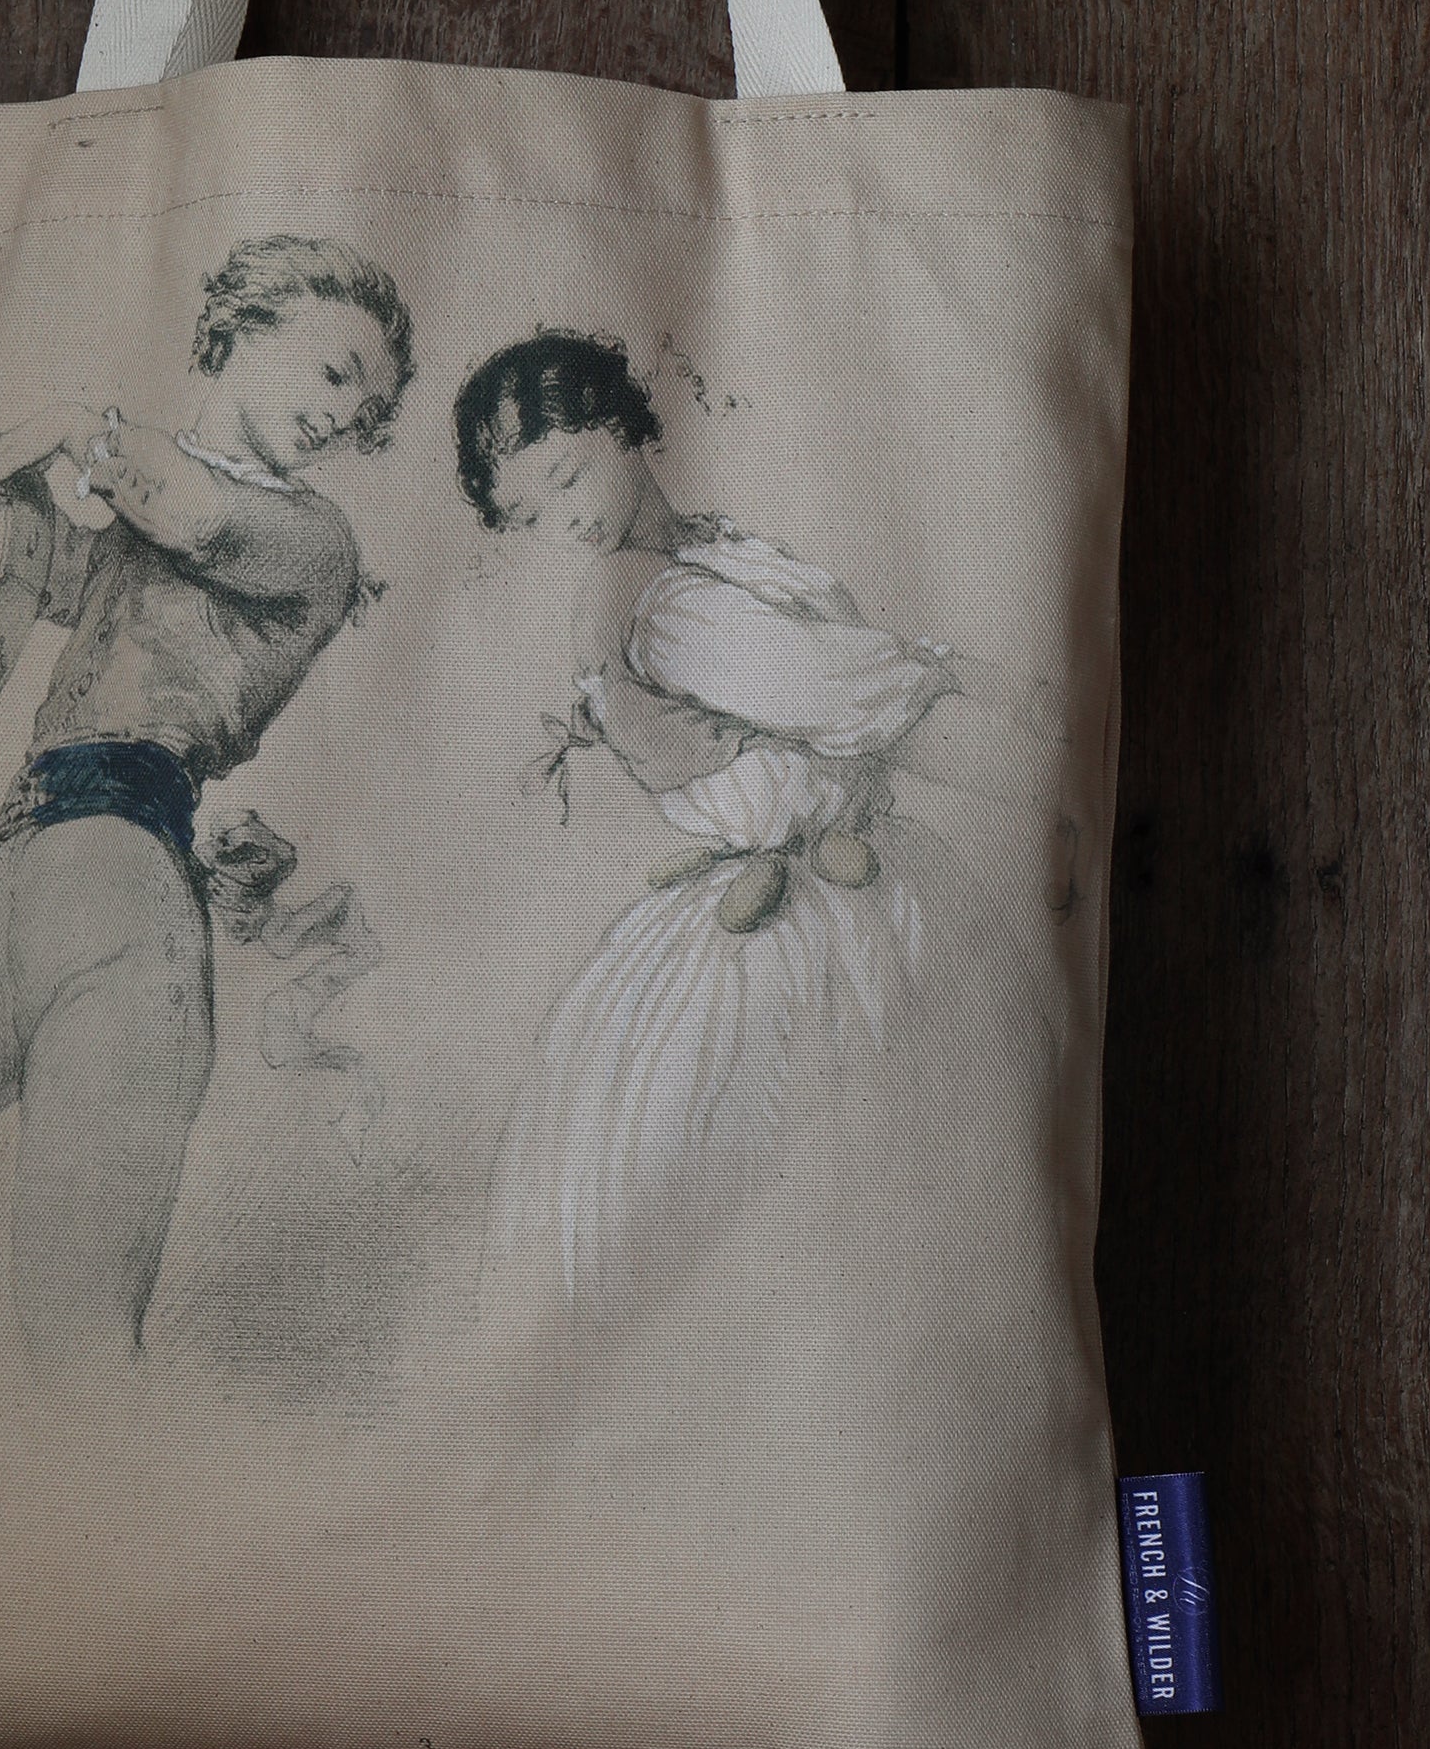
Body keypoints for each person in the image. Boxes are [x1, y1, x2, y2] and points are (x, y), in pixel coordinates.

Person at [0, 235, 413, 1356]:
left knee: (77, 1334)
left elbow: (198, 515)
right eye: (336, 371)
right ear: (242, 324)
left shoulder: (313, 541)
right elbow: (3, 553)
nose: (344, 414)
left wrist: (73, 424)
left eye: (367, 409)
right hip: (6, 899)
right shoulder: (133, 498)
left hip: (127, 912)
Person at [453, 327, 1065, 1317]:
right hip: (784, 919)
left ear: (619, 426)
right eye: (532, 513)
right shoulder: (647, 601)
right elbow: (836, 688)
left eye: (566, 478)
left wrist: (980, 684)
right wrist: (1001, 711)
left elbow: (853, 665)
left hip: (863, 869)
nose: (565, 520)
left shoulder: (712, 551)